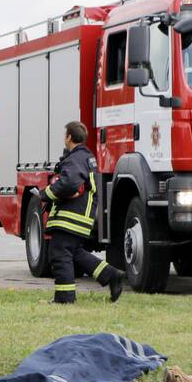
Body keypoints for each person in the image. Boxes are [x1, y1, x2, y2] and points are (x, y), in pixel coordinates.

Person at [42, 121, 124, 303]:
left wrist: (46, 194)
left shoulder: (75, 158)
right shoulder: (86, 157)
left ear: (69, 137)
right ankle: (111, 275)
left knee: (59, 253)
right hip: (81, 216)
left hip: (70, 217)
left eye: (65, 135)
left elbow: (69, 182)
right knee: (75, 253)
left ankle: (65, 298)